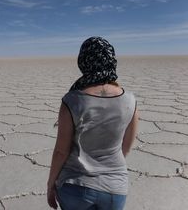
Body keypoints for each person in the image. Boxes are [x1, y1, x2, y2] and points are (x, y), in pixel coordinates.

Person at [47, 37, 139, 210]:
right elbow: (125, 148)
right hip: (115, 187)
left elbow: (61, 151)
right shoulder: (130, 101)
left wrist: (50, 184)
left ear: (83, 61)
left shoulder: (72, 100)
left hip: (75, 186)